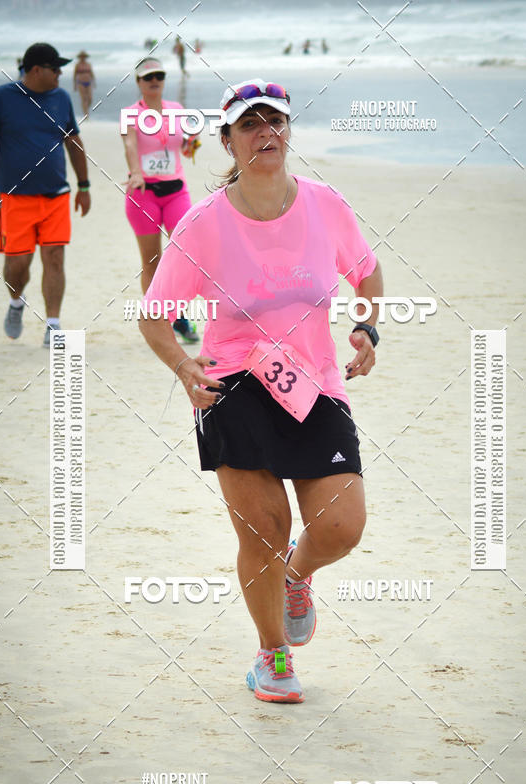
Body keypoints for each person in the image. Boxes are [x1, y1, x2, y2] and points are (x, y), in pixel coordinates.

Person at [138, 78, 383, 703]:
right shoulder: (204, 224)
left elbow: (368, 272)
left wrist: (367, 328)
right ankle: (272, 658)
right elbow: (154, 314)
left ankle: (298, 576)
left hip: (315, 383)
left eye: (275, 122)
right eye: (250, 125)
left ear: (289, 132)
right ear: (228, 141)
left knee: (342, 527)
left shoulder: (326, 205)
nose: (266, 133)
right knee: (264, 531)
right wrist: (183, 367)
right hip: (234, 385)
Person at [0, 42, 91, 346]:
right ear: (36, 69)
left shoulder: (61, 98)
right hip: (15, 199)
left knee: (54, 258)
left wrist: (84, 185)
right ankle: (16, 302)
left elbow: (73, 142)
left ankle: (53, 325)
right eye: (55, 68)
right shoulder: (2, 98)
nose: (60, 74)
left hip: (56, 196)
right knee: (18, 265)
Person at [120, 57, 200, 342]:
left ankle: (177, 313)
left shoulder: (177, 110)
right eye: (148, 76)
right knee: (152, 260)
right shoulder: (130, 113)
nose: (154, 80)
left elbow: (186, 148)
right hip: (144, 193)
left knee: (183, 254)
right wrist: (136, 172)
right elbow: (130, 144)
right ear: (139, 82)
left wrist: (192, 144)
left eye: (159, 75)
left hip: (176, 190)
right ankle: (166, 321)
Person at [73, 50, 95, 118]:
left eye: (84, 57)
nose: (83, 58)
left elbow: (92, 73)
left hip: (88, 82)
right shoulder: (77, 65)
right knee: (84, 99)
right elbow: (74, 75)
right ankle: (86, 115)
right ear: (80, 57)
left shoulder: (88, 64)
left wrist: (94, 82)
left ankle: (85, 110)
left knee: (90, 99)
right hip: (80, 83)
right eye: (81, 57)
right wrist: (75, 85)